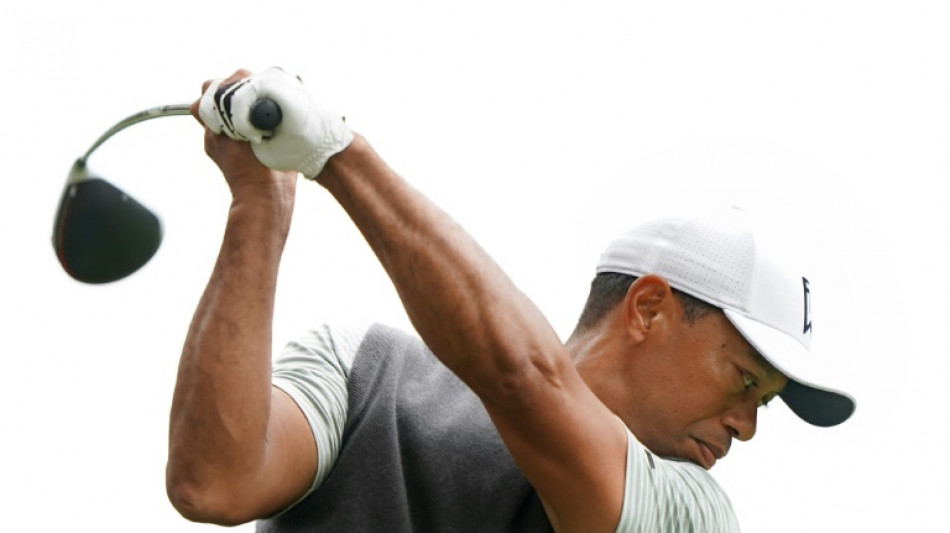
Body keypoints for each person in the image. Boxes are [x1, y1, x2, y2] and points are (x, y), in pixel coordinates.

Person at [166, 68, 855, 532]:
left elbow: (524, 383)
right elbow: (213, 483)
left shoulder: (696, 514)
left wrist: (335, 152)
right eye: (745, 381)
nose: (747, 427)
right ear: (648, 308)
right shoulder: (362, 368)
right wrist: (259, 206)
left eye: (764, 403)